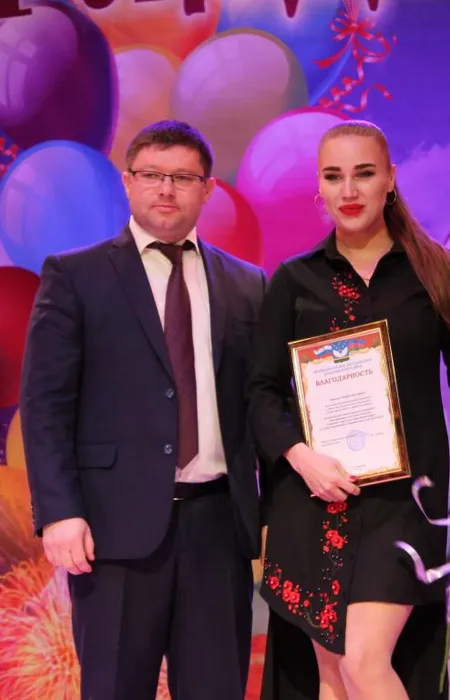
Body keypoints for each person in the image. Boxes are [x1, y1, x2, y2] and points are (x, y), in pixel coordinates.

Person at [248, 120, 450, 700]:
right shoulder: (295, 280)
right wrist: (302, 458)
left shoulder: (437, 271)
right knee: (330, 673)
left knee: (364, 661)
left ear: (390, 179)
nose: (348, 191)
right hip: (314, 497)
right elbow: (261, 391)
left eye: (364, 174)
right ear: (319, 187)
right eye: (333, 176)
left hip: (405, 501)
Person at [20, 120, 266, 700]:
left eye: (182, 177)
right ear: (128, 182)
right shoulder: (76, 276)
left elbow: (265, 401)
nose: (166, 189)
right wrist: (59, 512)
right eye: (152, 174)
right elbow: (45, 403)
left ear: (208, 189)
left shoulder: (247, 283)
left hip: (218, 530)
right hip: (112, 533)